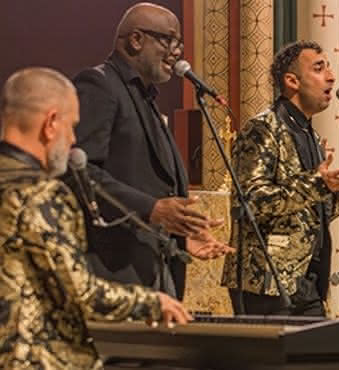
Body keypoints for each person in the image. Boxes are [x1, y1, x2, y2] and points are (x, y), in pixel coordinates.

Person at [0, 67, 192, 369]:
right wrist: (153, 302)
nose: (74, 138)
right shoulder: (40, 193)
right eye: (71, 126)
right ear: (50, 123)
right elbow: (80, 292)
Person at [70, 3, 231, 300]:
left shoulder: (144, 97)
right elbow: (79, 172)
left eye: (179, 43)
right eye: (168, 40)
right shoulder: (99, 84)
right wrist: (152, 209)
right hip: (114, 269)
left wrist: (180, 236)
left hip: (153, 266)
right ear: (136, 40)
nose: (177, 52)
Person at [221, 40, 339, 317]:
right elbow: (251, 201)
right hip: (267, 282)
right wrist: (320, 184)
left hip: (307, 282)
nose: (331, 77)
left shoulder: (309, 134)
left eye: (329, 68)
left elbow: (308, 213)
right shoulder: (263, 128)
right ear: (292, 81)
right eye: (319, 68)